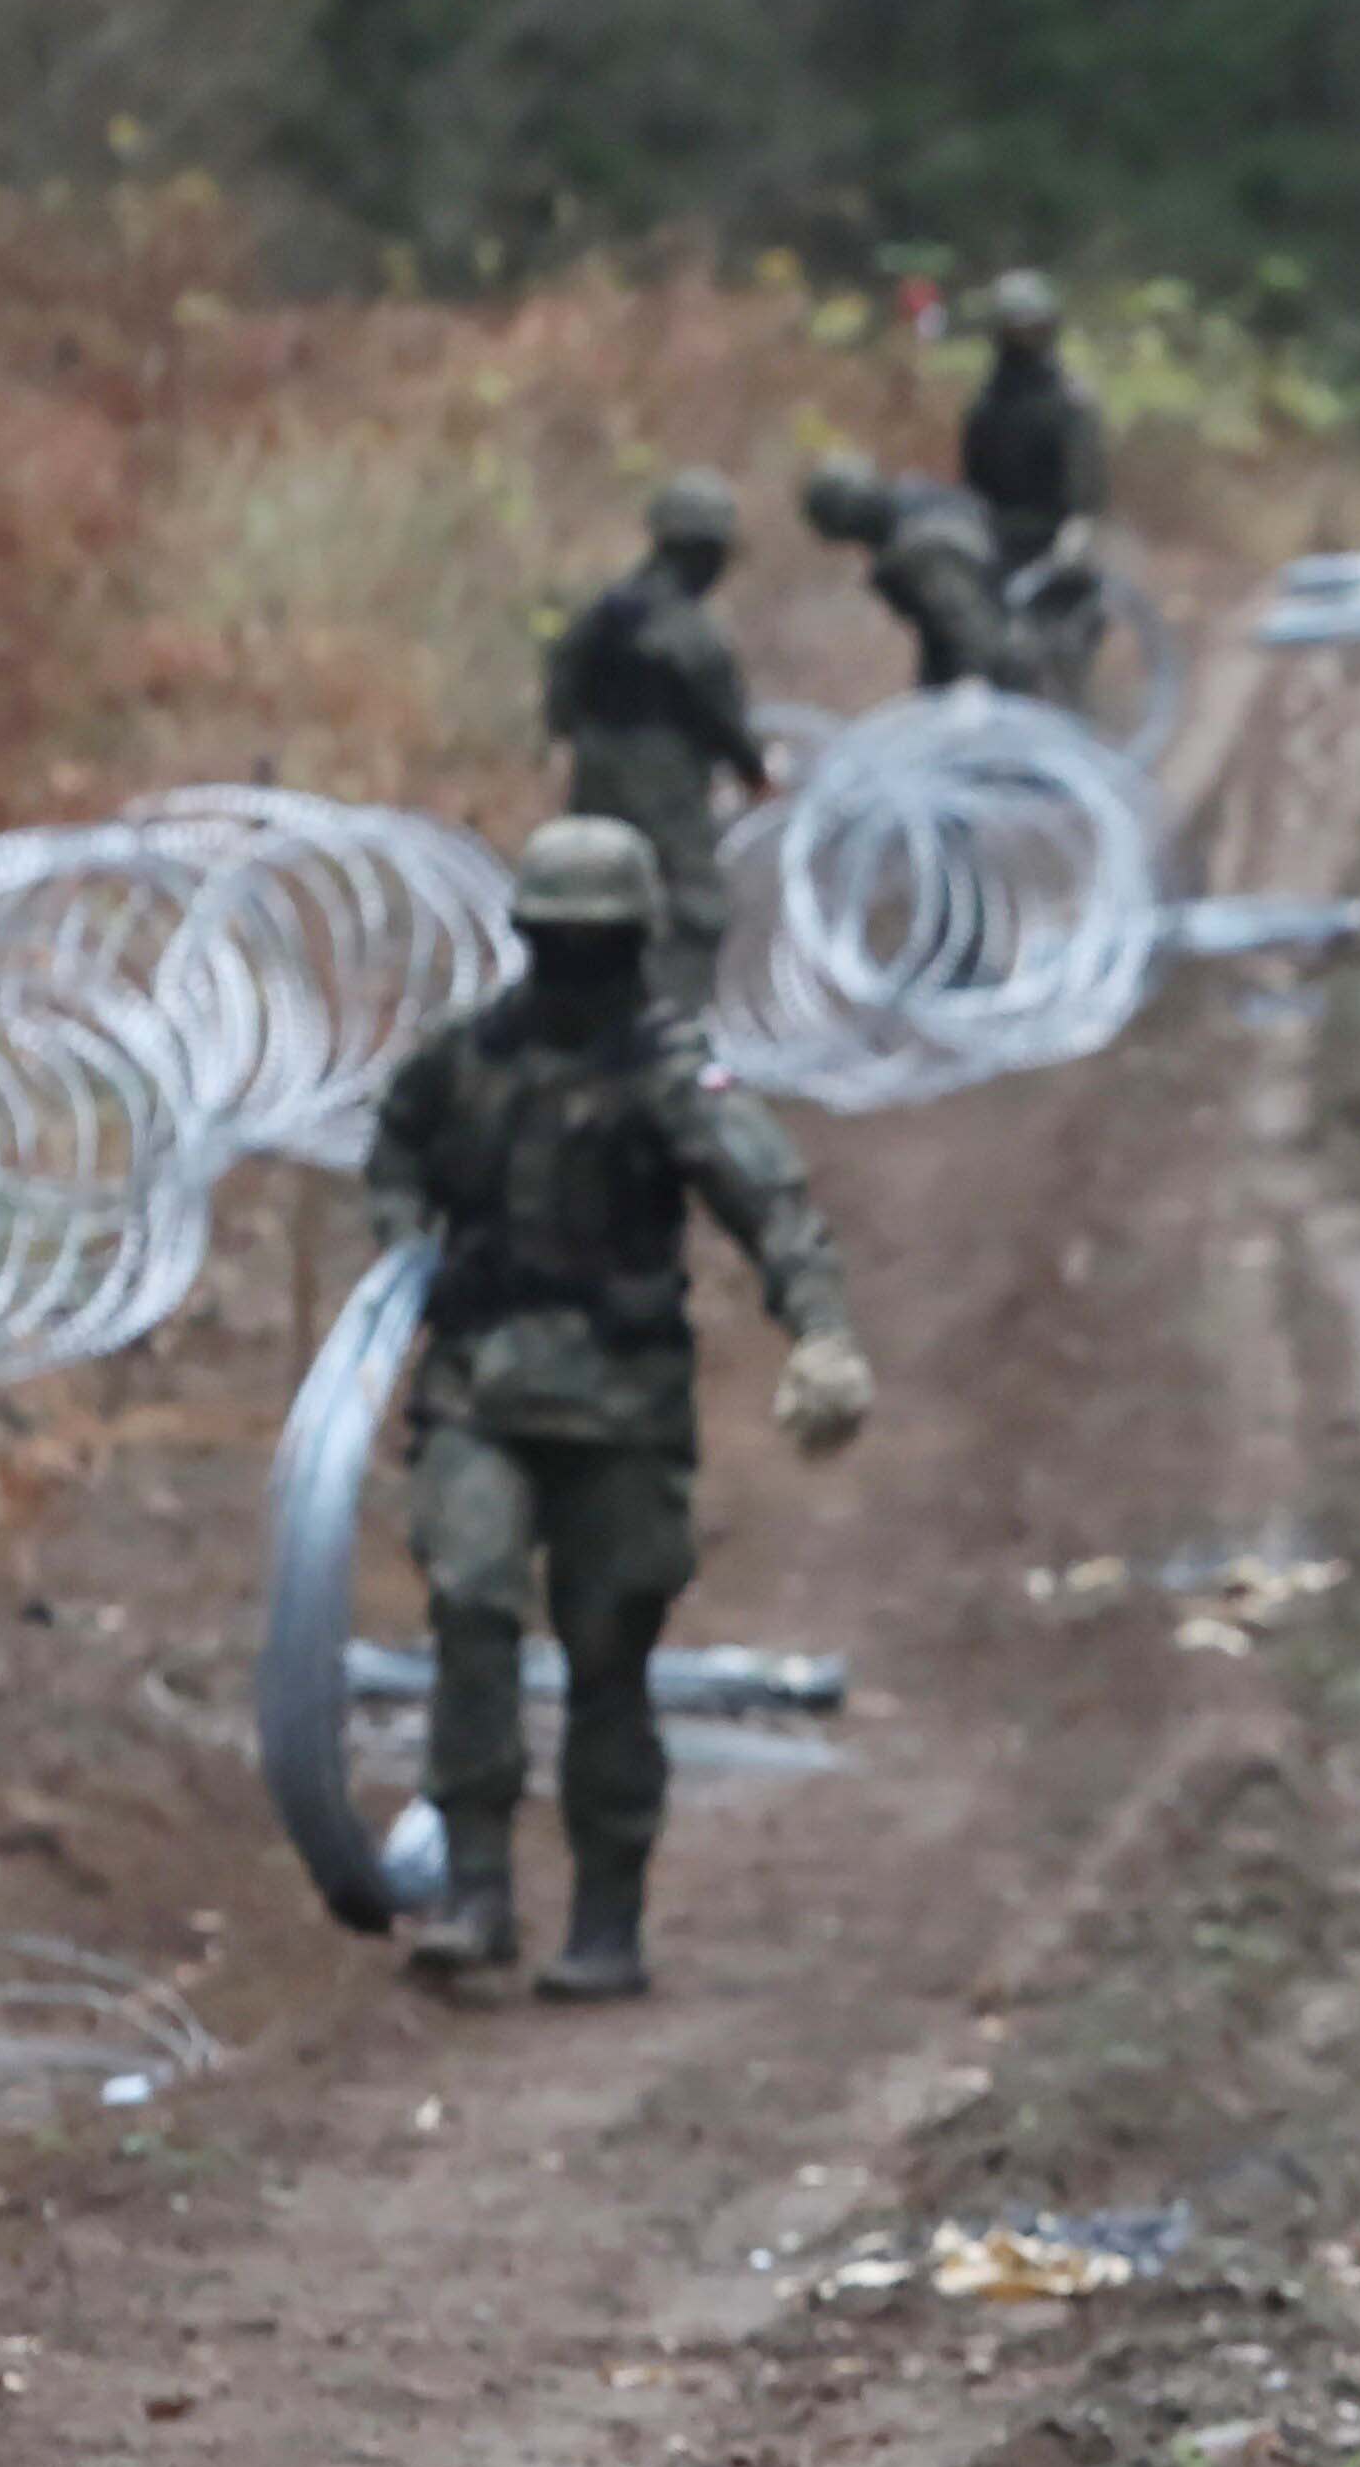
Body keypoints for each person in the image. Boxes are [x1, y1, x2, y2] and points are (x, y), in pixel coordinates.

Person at [356, 819, 879, 2002]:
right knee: (471, 1607)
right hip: (480, 1393)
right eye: (562, 942)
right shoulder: (468, 1059)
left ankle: (606, 1916)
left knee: (609, 1655)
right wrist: (406, 1259)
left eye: (598, 946)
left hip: (621, 1412)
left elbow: (772, 1201)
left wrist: (824, 1333)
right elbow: (392, 1147)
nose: (579, 967)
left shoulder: (668, 1073)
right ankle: (477, 1888)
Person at [540, 471, 778, 971]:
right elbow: (722, 715)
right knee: (695, 907)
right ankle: (669, 1023)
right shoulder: (692, 631)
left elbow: (562, 685)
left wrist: (581, 738)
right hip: (663, 784)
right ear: (705, 553)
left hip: (596, 772)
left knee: (591, 896)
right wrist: (756, 772)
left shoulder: (606, 611)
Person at [955, 269, 1114, 713]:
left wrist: (1078, 530)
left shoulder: (1069, 401)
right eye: (1016, 329)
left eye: (1033, 327)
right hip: (1000, 552)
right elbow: (974, 484)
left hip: (1059, 553)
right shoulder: (986, 406)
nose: (1025, 338)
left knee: (1067, 662)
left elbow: (1087, 484)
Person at [800, 450, 1031, 700]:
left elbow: (973, 636)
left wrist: (959, 699)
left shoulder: (919, 552)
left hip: (1007, 675)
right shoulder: (917, 498)